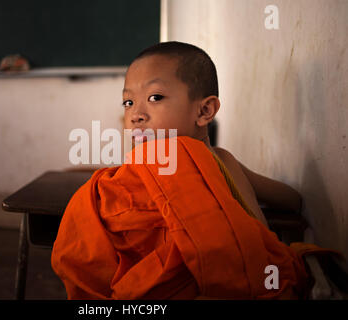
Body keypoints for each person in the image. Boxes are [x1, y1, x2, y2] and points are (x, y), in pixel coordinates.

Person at [51, 41, 339, 299]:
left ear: (205, 111)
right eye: (128, 102)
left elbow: (290, 202)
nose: (135, 114)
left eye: (155, 97)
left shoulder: (221, 162)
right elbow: (292, 200)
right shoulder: (133, 173)